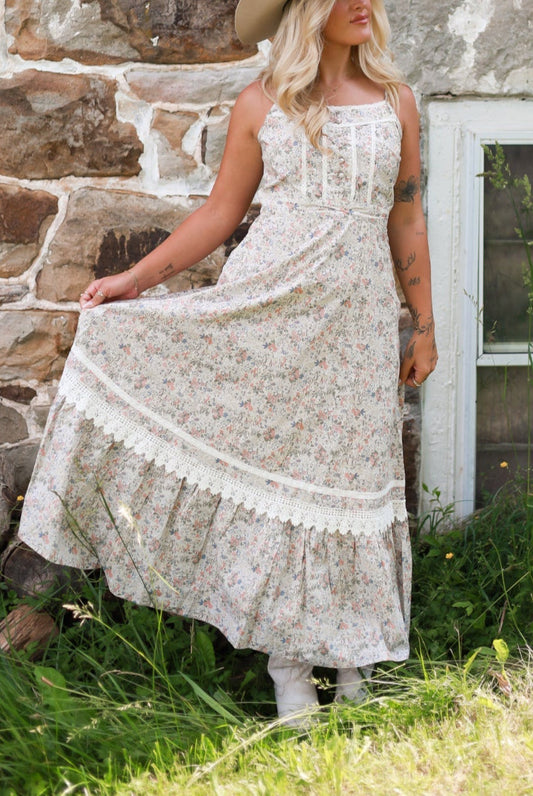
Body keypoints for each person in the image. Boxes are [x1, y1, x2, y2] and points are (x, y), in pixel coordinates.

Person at [18, 0, 437, 725]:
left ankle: (353, 663)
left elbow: (406, 216)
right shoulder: (260, 103)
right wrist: (133, 280)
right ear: (304, 11)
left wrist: (424, 326)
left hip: (357, 326)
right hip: (268, 309)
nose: (361, 3)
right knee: (279, 475)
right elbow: (219, 215)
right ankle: (290, 672)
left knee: (350, 476)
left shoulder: (396, 103)